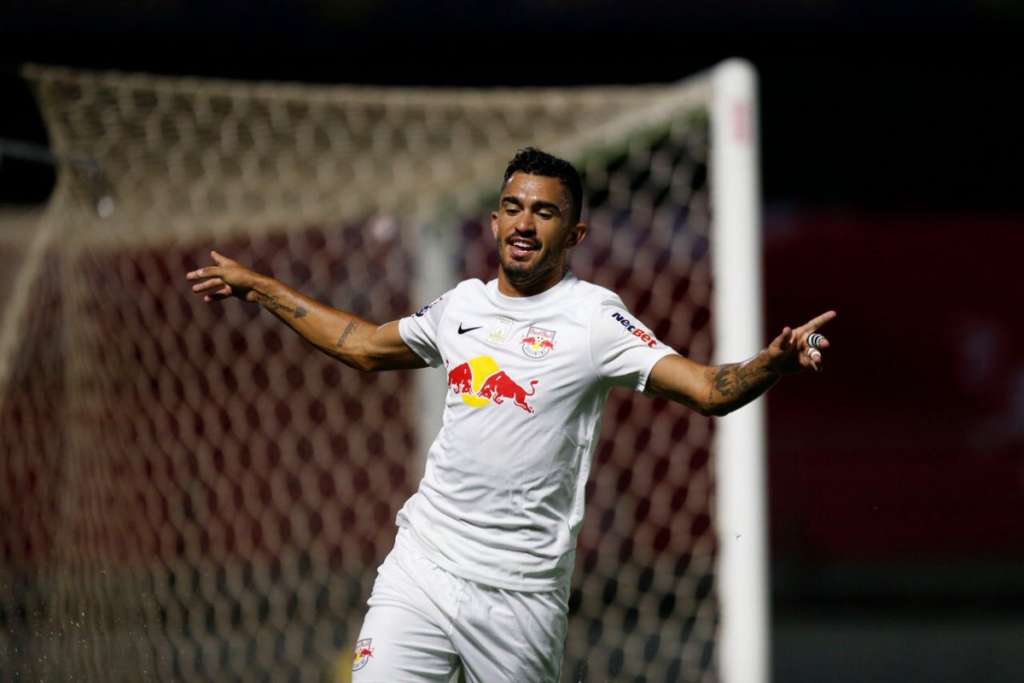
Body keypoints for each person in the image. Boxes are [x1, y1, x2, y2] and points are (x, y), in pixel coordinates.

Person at [186, 147, 834, 682]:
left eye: (545, 212)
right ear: (494, 222)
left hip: (520, 598)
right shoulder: (460, 306)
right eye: (514, 207)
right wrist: (262, 287)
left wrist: (771, 361)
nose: (525, 223)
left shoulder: (593, 321)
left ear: (574, 233)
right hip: (424, 566)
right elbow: (359, 345)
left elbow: (708, 388)